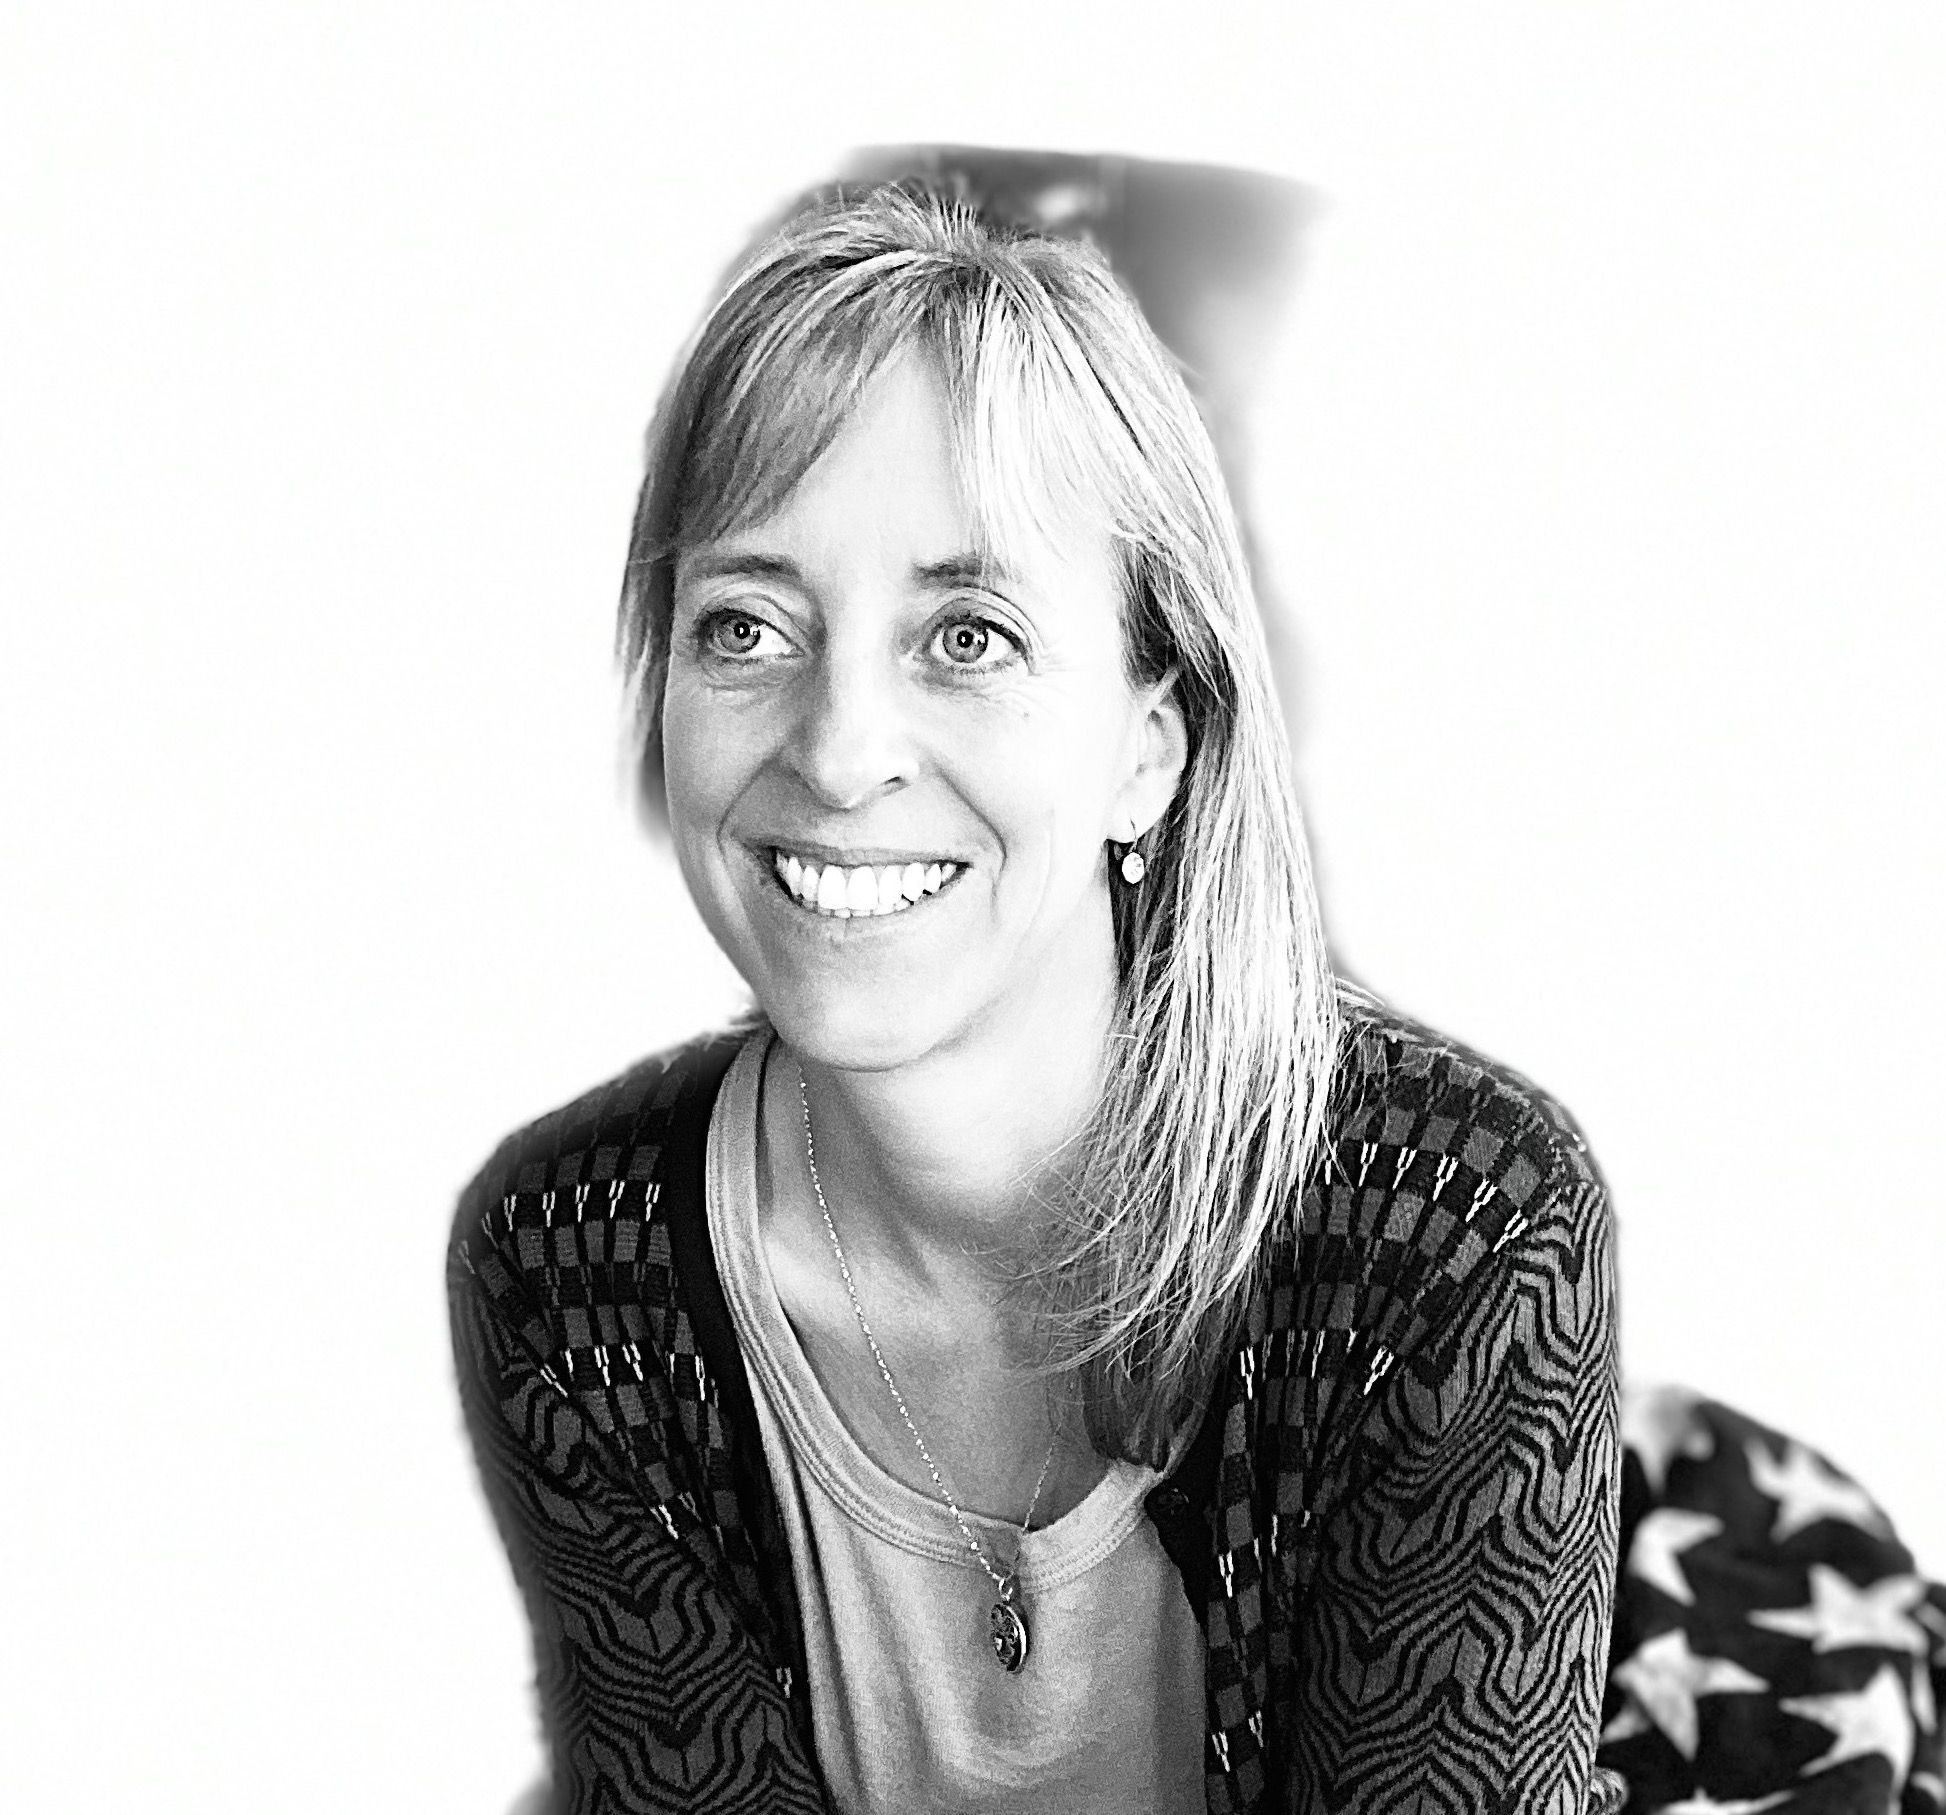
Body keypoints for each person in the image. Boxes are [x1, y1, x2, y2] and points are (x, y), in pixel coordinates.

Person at [447, 178, 1633, 1813]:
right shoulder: (575, 1267)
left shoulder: (1454, 1229)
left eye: (970, 635)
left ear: (1150, 749)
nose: (839, 751)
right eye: (746, 626)